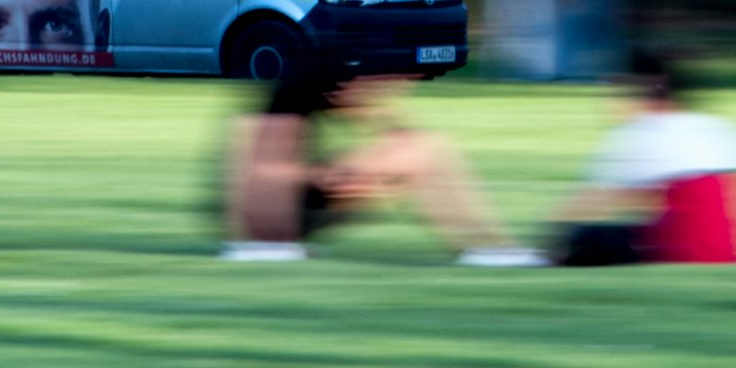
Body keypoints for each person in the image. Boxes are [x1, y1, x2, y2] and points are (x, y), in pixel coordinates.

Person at [220, 62, 545, 265]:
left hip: (300, 201)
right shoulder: (290, 93)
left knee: (421, 147)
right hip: (265, 217)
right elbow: (254, 173)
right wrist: (325, 176)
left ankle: (486, 248)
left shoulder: (336, 88)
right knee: (419, 150)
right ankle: (487, 250)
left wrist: (362, 167)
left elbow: (396, 134)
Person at [552, 50, 736, 266]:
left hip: (689, 252)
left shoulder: (643, 131)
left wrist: (552, 244)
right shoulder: (723, 129)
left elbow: (591, 203)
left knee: (586, 238)